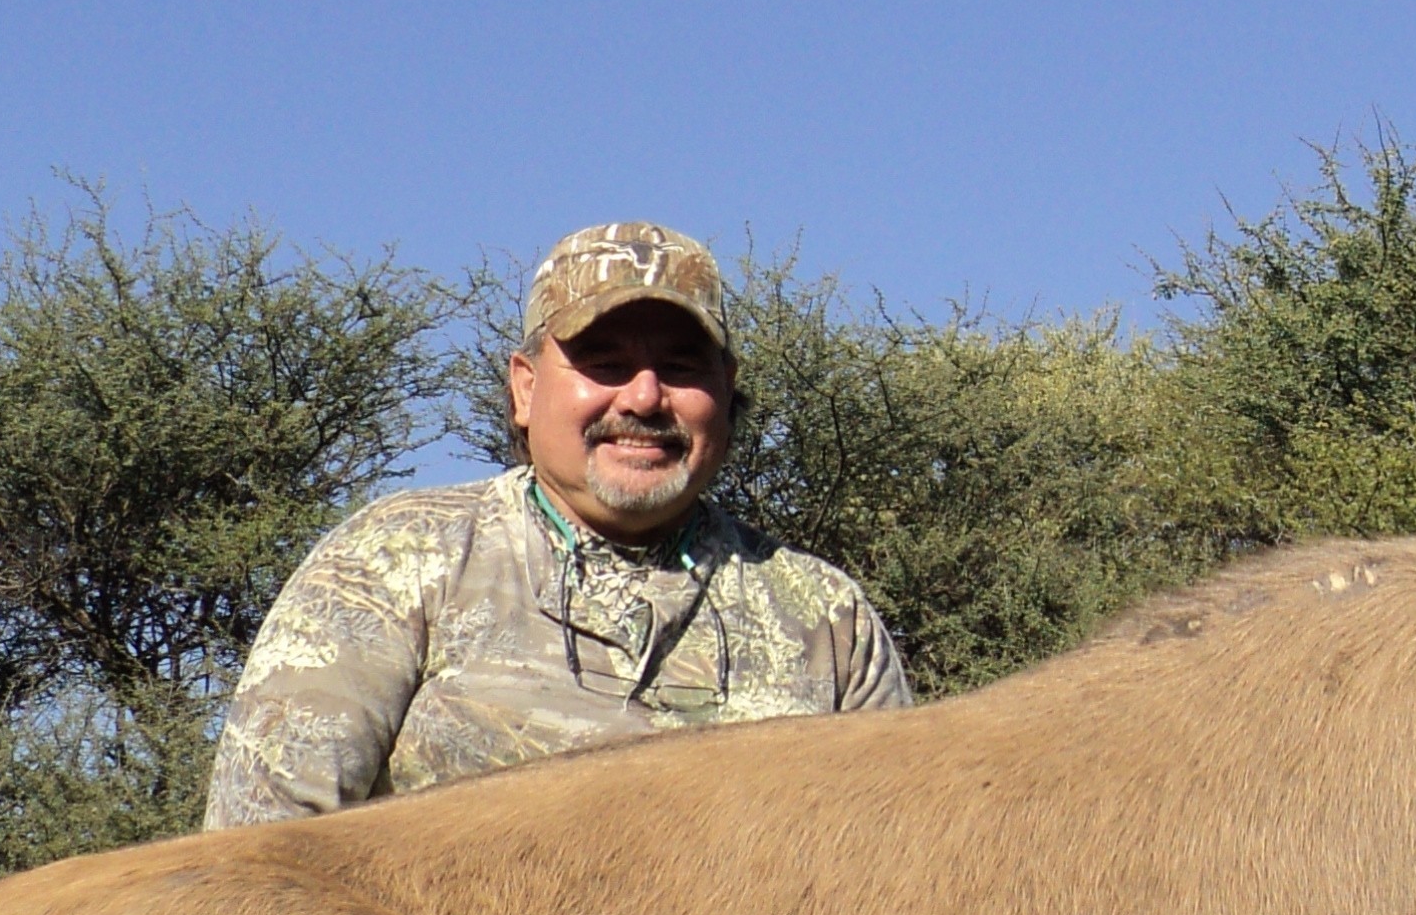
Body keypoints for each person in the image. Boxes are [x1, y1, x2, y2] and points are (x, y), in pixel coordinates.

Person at [202, 222, 909, 827]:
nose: (643, 396)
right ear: (526, 387)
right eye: (603, 363)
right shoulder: (396, 560)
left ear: (726, 389)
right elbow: (259, 860)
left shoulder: (826, 620)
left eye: (681, 367)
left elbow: (896, 881)